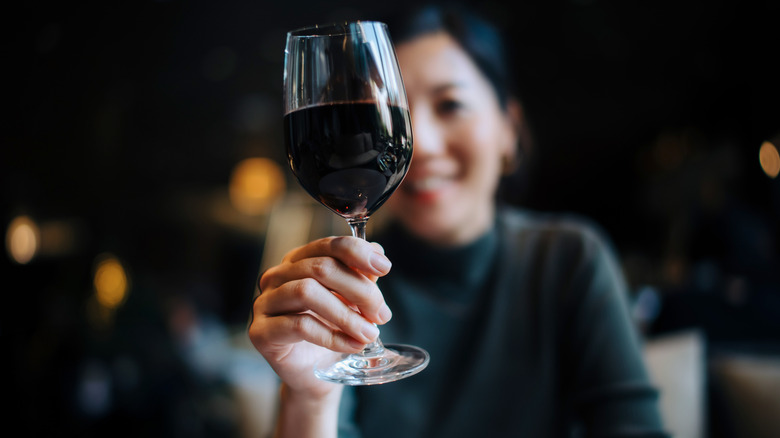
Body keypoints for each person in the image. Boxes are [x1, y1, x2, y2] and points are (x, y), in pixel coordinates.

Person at [248, 5, 668, 437]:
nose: (422, 143)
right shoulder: (340, 290)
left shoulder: (567, 259)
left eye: (450, 104)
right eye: (398, 110)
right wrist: (309, 395)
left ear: (510, 129)